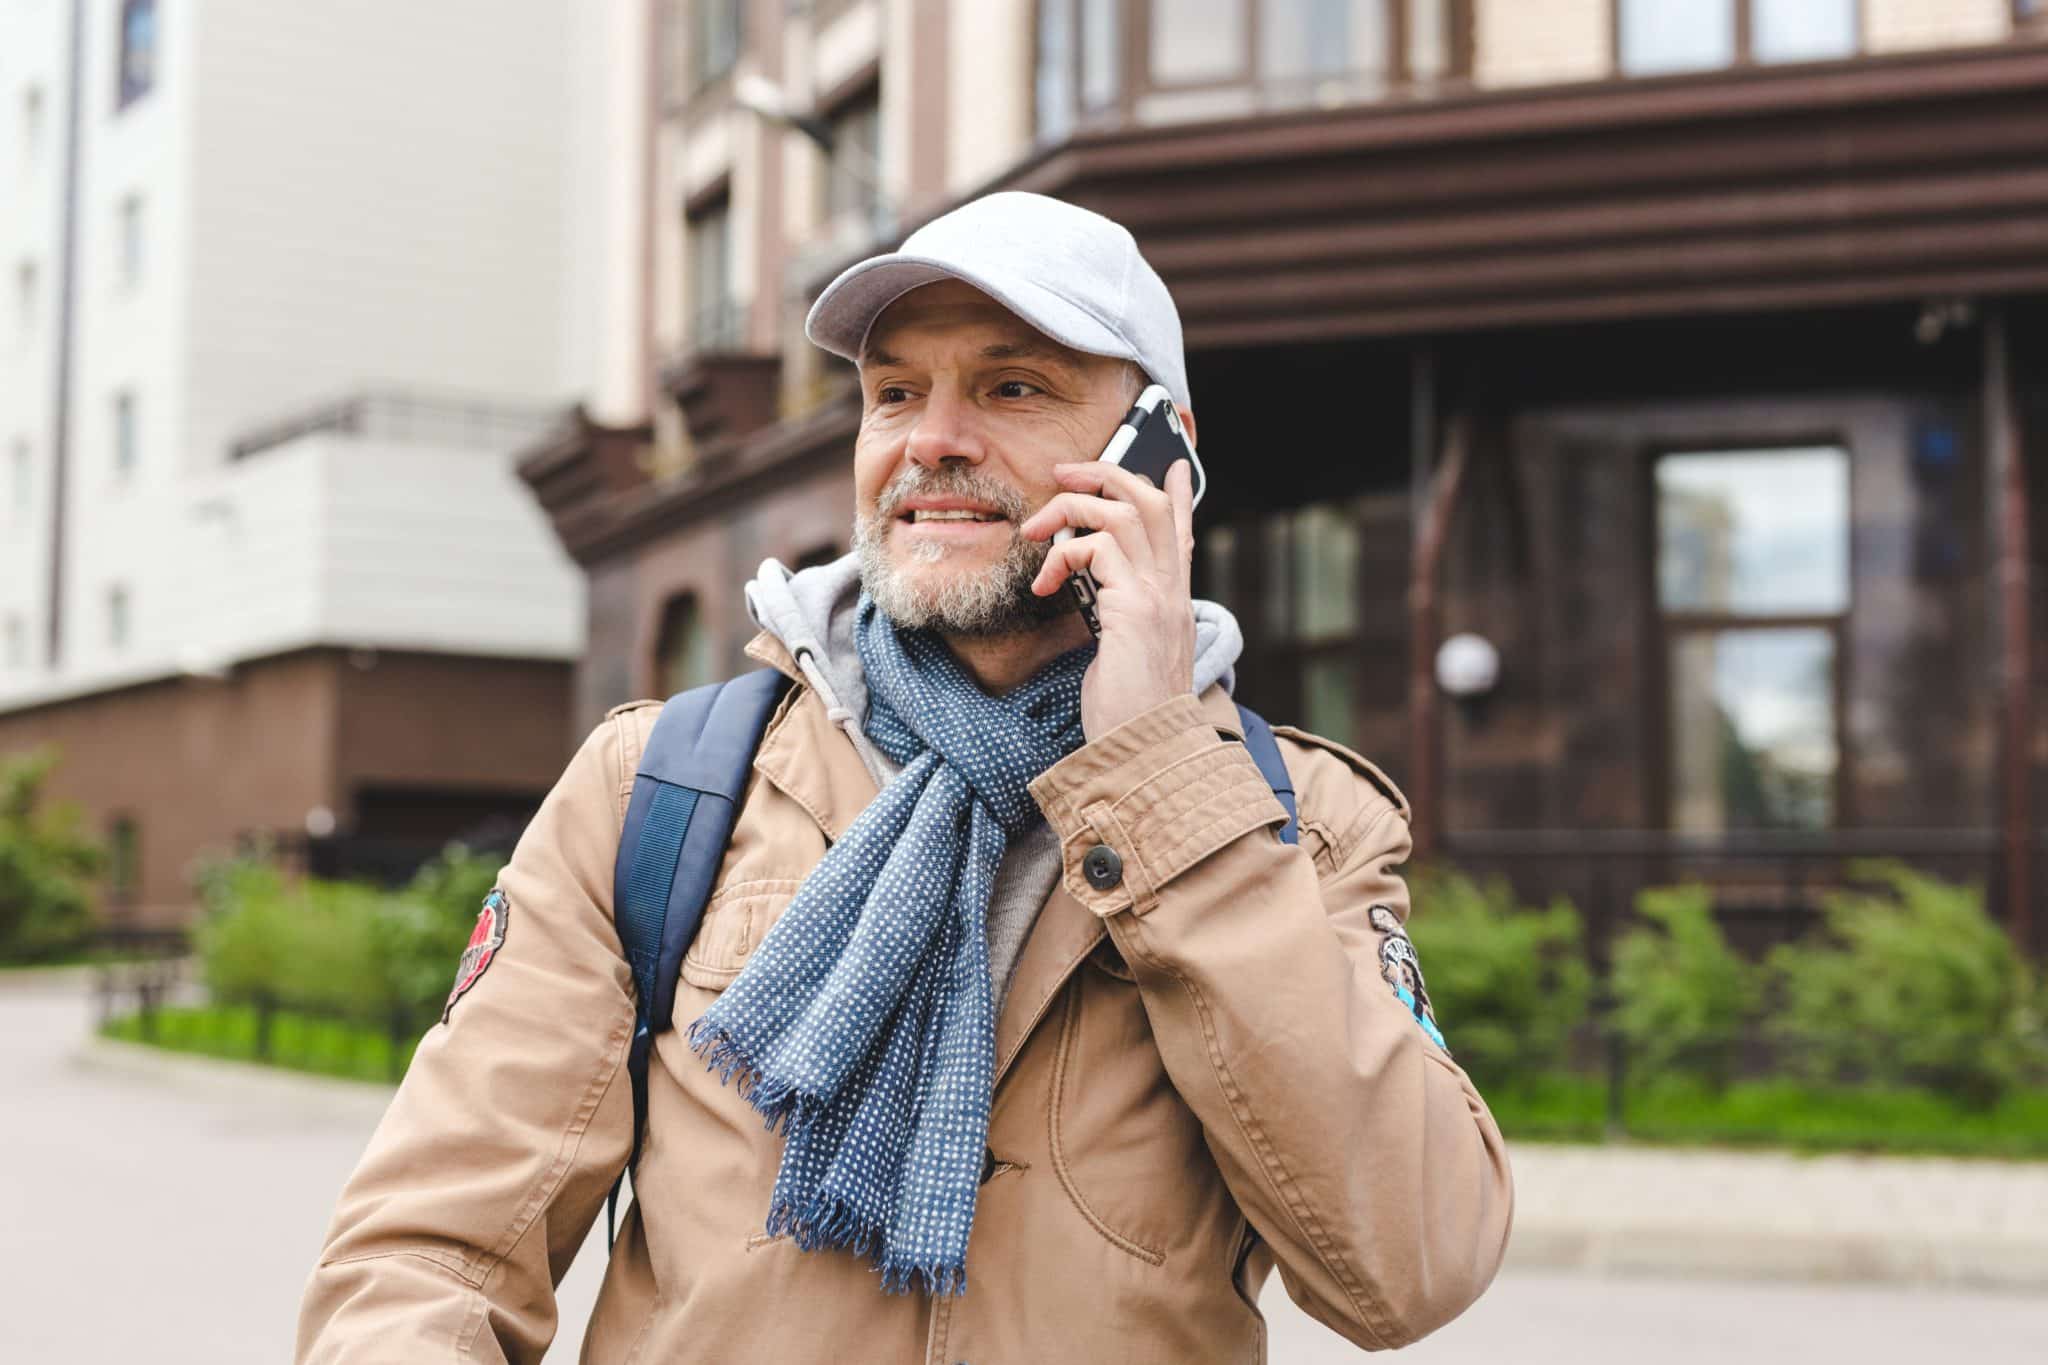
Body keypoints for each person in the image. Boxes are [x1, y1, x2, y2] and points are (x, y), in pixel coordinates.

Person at [295, 191, 1512, 1364]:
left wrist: (1157, 779)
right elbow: (428, 1257)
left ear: (1160, 458)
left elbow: (1407, 1266)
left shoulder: (1302, 824)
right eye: (893, 395)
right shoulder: (657, 786)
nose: (931, 440)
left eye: (1011, 386)